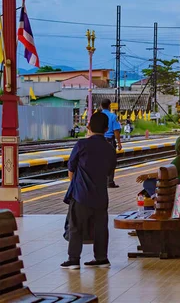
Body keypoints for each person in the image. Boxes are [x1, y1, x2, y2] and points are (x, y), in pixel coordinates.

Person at [61, 112, 117, 270]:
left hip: (81, 195)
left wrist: (77, 184)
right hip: (101, 195)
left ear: (89, 126)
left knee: (76, 226)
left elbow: (71, 169)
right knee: (100, 227)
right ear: (107, 128)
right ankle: (101, 258)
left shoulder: (81, 145)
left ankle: (73, 260)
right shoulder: (109, 149)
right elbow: (109, 171)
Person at [101, 98, 122, 188]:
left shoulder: (97, 116)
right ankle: (109, 182)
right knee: (111, 161)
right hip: (109, 141)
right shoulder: (113, 116)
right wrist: (119, 143)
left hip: (99, 140)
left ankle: (100, 181)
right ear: (109, 106)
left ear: (101, 106)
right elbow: (116, 130)